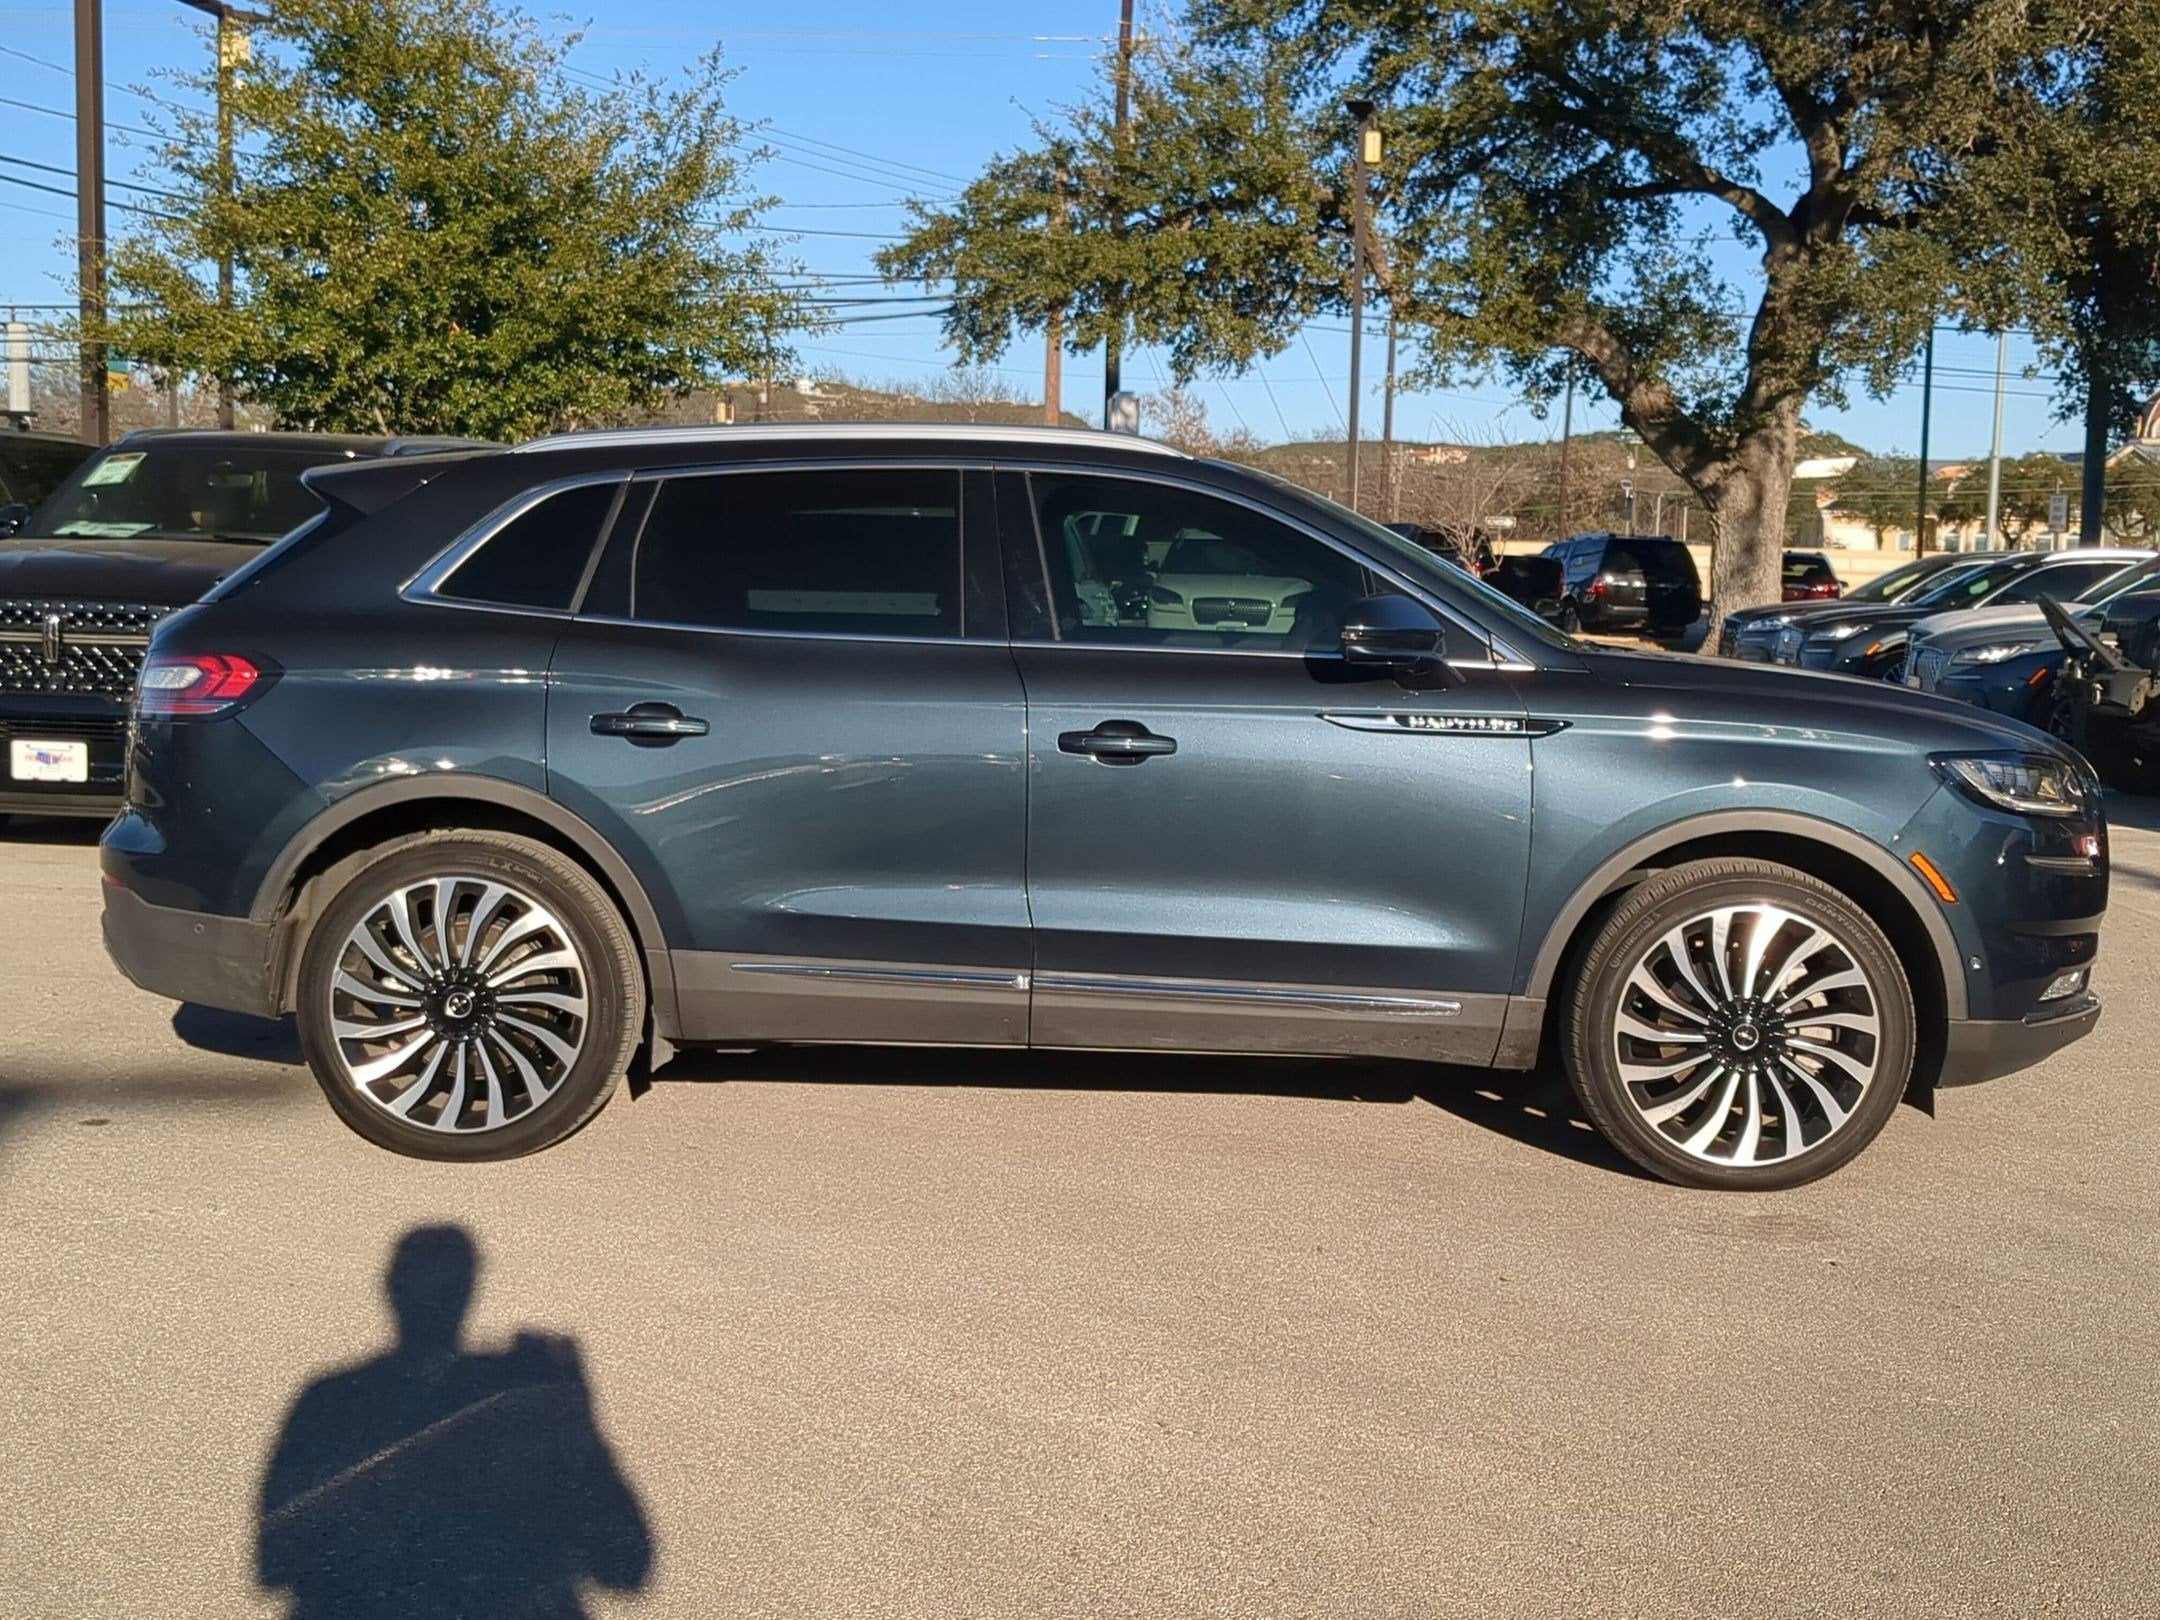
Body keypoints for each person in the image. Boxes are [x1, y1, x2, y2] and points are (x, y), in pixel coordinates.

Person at [257, 1225, 652, 1619]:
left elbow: (625, 1559)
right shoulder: (515, 1408)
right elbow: (276, 1556)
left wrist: (568, 1414)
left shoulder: (334, 1404)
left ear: (391, 1288)